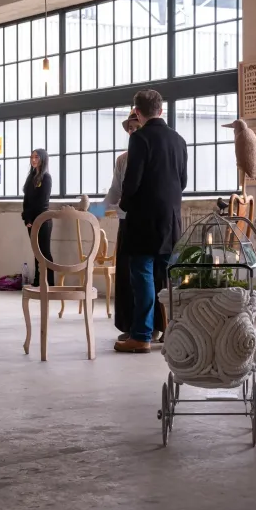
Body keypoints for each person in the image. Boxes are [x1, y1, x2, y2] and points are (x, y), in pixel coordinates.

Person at [115, 90, 188, 354]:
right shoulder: (179, 140)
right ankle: (173, 333)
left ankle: (142, 335)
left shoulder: (140, 138)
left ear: (137, 112)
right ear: (161, 110)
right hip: (171, 221)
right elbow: (183, 182)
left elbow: (131, 182)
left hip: (144, 221)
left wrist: (124, 205)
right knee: (167, 279)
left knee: (142, 276)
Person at [94, 112, 167, 345]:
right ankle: (135, 327)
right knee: (129, 278)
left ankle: (154, 328)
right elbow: (115, 193)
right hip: (128, 222)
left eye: (137, 126)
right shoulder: (123, 160)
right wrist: (92, 213)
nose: (133, 131)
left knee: (155, 277)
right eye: (130, 128)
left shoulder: (155, 153)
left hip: (151, 220)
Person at [21, 149, 55, 287]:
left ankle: (50, 283)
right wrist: (27, 219)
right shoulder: (30, 177)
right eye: (32, 157)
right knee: (36, 251)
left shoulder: (46, 178)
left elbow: (42, 203)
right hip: (31, 221)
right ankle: (37, 281)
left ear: (43, 159)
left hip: (43, 220)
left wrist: (35, 219)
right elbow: (26, 201)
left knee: (45, 252)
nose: (33, 160)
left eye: (36, 157)